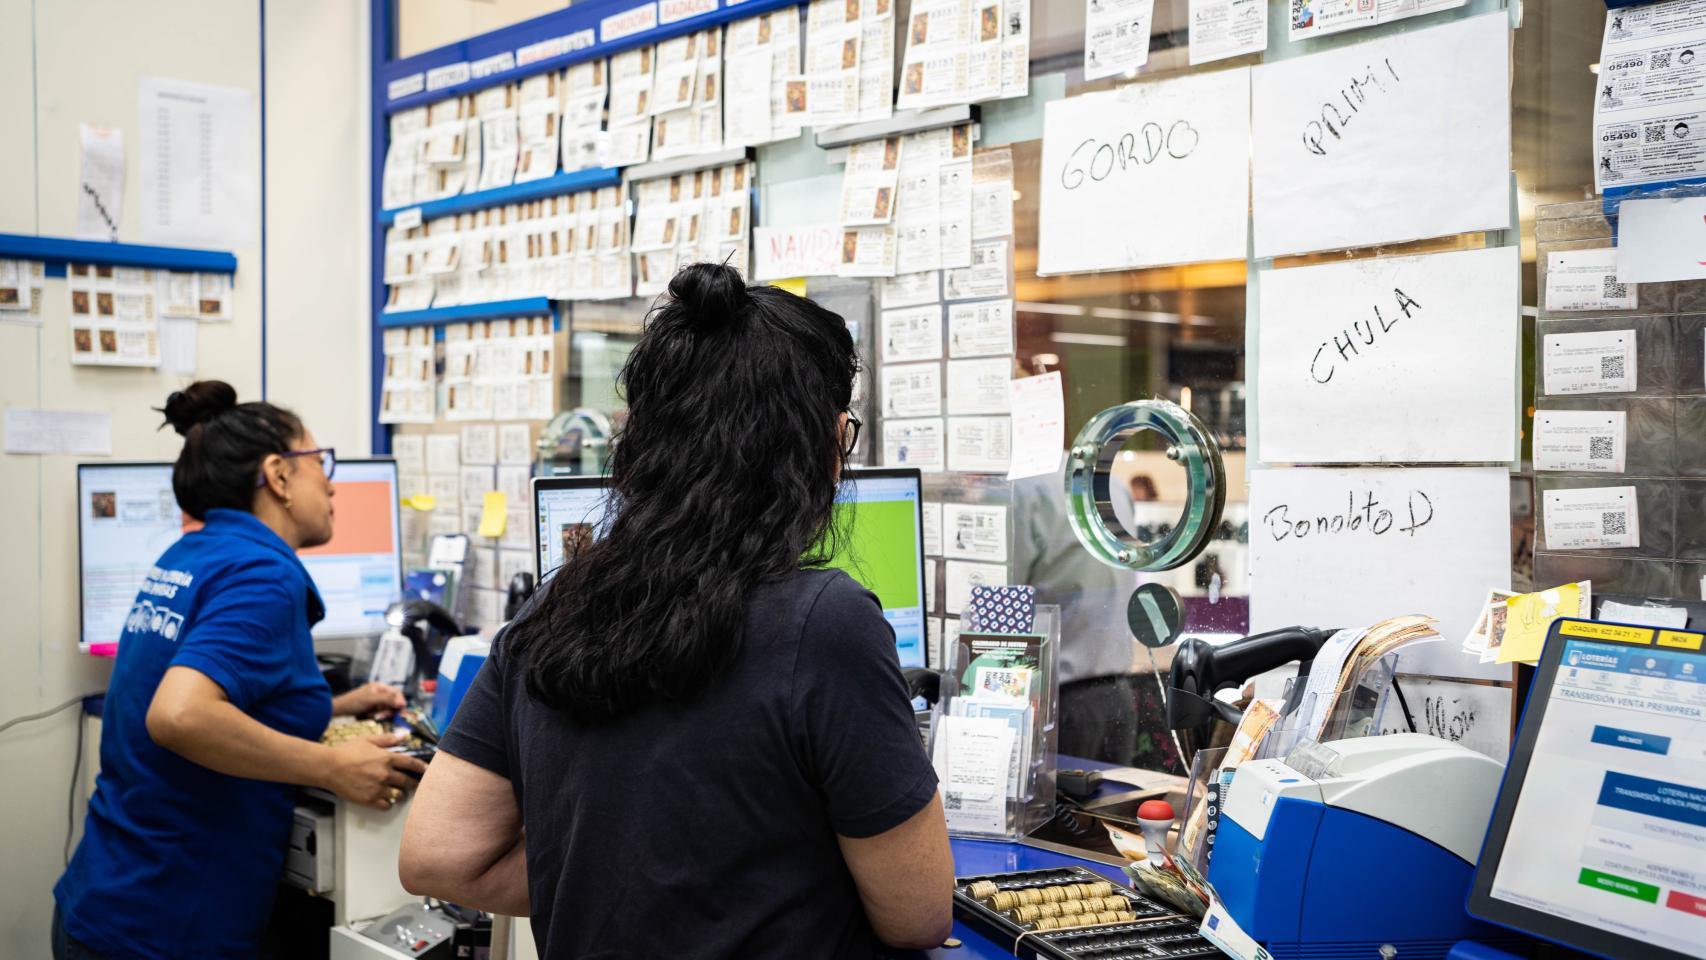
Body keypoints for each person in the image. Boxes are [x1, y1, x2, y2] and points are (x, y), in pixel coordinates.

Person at [400, 264, 953, 957]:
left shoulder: (549, 609)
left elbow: (441, 857)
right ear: (829, 441)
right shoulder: (824, 621)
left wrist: (627, 883)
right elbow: (920, 914)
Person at [54, 381, 426, 960]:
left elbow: (209, 692)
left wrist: (333, 707)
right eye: (318, 462)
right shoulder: (262, 576)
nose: (330, 481)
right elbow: (179, 715)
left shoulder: (189, 554)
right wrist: (332, 766)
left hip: (110, 898)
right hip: (169, 927)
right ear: (278, 477)